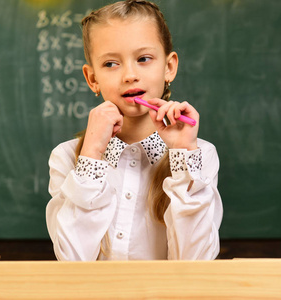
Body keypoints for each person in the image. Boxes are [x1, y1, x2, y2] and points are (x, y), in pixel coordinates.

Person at [46, 0, 223, 261]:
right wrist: (92, 153)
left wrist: (183, 154)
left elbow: (195, 262)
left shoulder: (199, 155)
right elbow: (73, 261)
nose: (130, 75)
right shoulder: (67, 157)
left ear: (169, 67)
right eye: (110, 64)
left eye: (143, 59)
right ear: (92, 78)